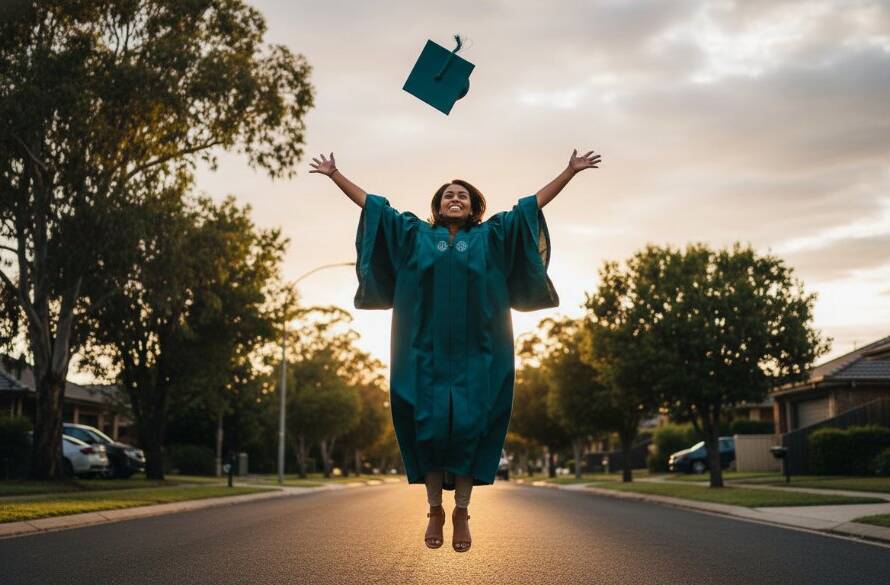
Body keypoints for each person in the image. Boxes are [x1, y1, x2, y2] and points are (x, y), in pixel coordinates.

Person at [310, 149, 601, 552]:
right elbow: (376, 208)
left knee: (469, 430)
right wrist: (335, 174)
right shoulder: (414, 235)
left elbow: (530, 208)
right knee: (427, 431)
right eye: (448, 194)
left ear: (474, 205)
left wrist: (569, 171)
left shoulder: (492, 236)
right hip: (422, 353)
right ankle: (434, 509)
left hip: (480, 353)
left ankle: (462, 511)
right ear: (438, 204)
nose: (455, 198)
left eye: (462, 195)